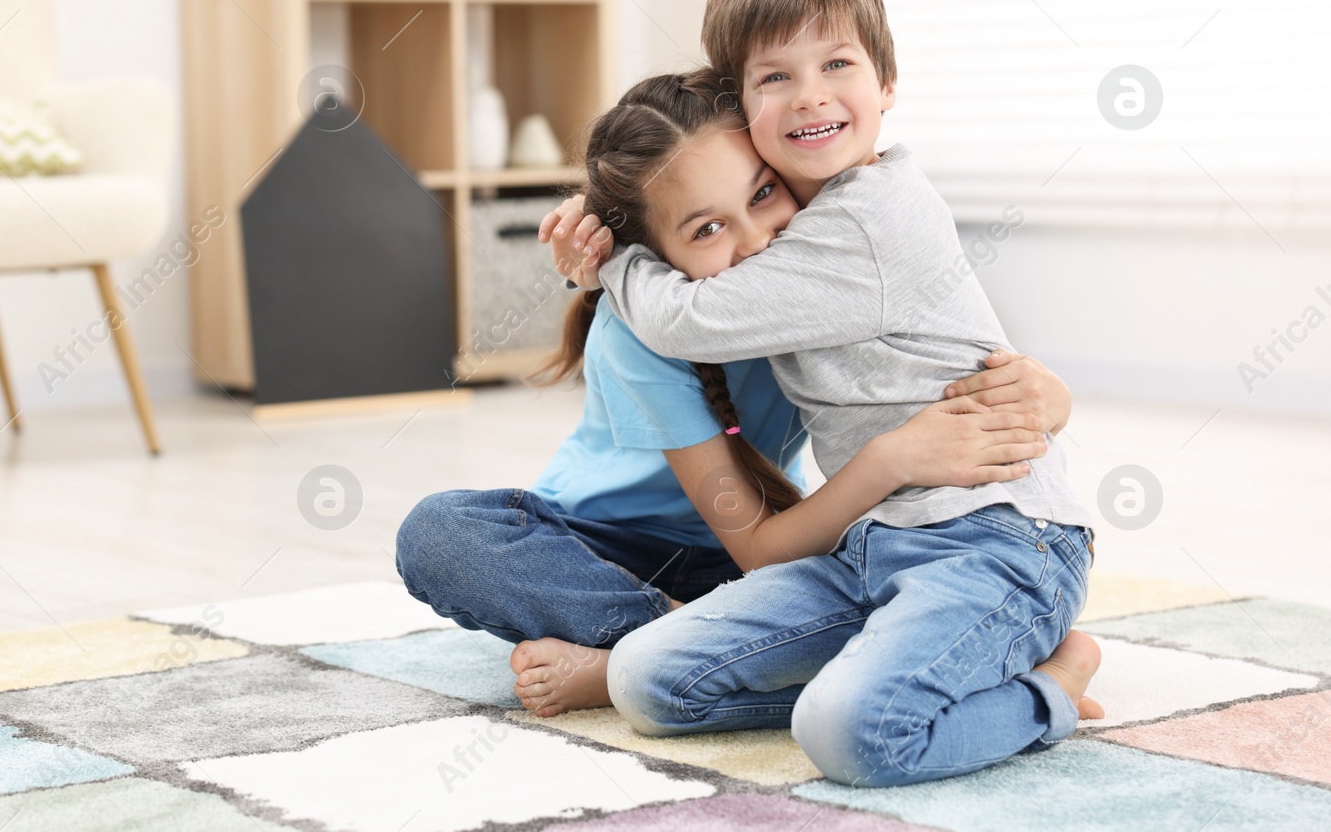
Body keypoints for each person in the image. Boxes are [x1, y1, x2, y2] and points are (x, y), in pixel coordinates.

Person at [554, 0, 1101, 788]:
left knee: (852, 735)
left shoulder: (867, 223)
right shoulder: (805, 216)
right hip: (871, 544)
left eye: (837, 63)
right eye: (775, 78)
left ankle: (1050, 686)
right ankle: (902, 673)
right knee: (647, 680)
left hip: (997, 542)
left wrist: (609, 254)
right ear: (741, 112)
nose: (810, 93)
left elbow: (684, 315)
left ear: (886, 85)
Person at [395, 72, 1071, 719]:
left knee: (891, 559)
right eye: (706, 229)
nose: (755, 242)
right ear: (652, 255)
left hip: (761, 551)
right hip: (607, 553)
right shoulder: (644, 330)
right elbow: (758, 546)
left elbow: (934, 357)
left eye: (763, 193)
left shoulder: (817, 284)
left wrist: (1047, 395)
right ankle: (665, 644)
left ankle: (659, 660)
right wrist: (891, 459)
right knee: (441, 533)